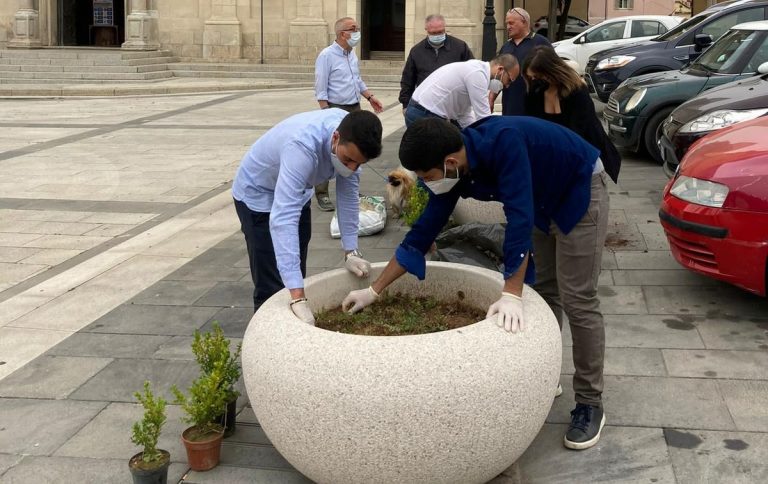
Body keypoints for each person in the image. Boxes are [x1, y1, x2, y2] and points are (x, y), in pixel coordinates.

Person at [342, 116, 609, 451]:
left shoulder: (504, 143)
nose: (426, 185)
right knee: (548, 290)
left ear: (450, 162)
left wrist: (512, 291)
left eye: (426, 177)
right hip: (539, 194)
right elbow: (422, 233)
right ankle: (547, 371)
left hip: (578, 187)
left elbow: (518, 218)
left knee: (579, 297)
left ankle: (589, 403)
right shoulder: (453, 171)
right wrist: (373, 289)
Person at [232, 109, 383, 323]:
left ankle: (293, 316)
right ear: (335, 138)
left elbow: (348, 196)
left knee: (295, 264)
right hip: (258, 193)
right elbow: (283, 218)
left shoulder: (354, 135)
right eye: (348, 160)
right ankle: (270, 339)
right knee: (272, 283)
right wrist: (297, 296)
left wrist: (351, 251)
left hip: (299, 189)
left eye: (358, 164)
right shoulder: (302, 147)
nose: (351, 168)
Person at [313, 16, 383, 212]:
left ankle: (350, 190)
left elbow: (357, 80)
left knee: (355, 149)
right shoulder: (326, 55)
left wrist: (370, 97)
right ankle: (322, 193)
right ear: (342, 34)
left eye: (357, 28)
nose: (357, 32)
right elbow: (320, 87)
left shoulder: (352, 54)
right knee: (330, 149)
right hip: (335, 107)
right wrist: (325, 112)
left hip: (354, 106)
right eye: (353, 29)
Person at [523, 46, 621, 182]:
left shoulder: (577, 91)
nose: (535, 80)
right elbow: (533, 128)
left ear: (552, 71)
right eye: (532, 77)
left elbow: (579, 131)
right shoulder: (536, 91)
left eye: (539, 76)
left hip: (583, 158)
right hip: (552, 160)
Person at [404, 54, 519, 128]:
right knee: (435, 161)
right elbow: (484, 118)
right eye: (509, 80)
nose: (507, 86)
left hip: (423, 111)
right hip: (423, 114)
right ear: (500, 70)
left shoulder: (478, 71)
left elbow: (464, 113)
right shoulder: (477, 74)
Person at [398, 14, 474, 113]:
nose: (437, 35)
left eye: (441, 32)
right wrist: (405, 104)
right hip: (426, 105)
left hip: (454, 105)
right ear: (426, 30)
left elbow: (472, 71)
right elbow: (408, 79)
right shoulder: (417, 51)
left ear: (445, 28)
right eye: (433, 33)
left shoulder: (460, 47)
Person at [492, 8, 551, 116]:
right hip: (510, 109)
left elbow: (553, 74)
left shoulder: (541, 43)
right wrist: (491, 98)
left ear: (524, 22)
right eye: (507, 24)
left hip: (535, 110)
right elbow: (498, 76)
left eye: (511, 23)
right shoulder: (505, 47)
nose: (508, 27)